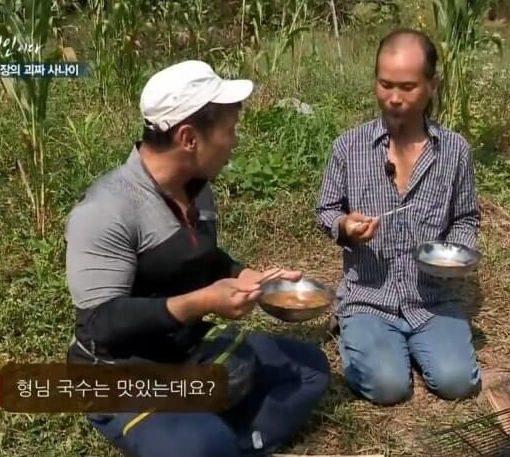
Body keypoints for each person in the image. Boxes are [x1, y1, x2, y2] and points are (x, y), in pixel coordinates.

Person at [64, 60, 331, 456]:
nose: (235, 141)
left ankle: (225, 441)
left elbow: (200, 257)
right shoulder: (106, 210)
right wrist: (202, 302)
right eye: (229, 130)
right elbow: (102, 322)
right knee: (204, 444)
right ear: (189, 138)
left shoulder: (197, 189)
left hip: (186, 353)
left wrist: (247, 275)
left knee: (310, 369)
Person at [315, 29, 481, 406]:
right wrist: (345, 226)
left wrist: (455, 255)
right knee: (389, 388)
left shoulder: (454, 151)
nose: (394, 98)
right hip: (369, 296)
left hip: (432, 299)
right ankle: (354, 329)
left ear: (432, 85)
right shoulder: (348, 147)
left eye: (407, 87)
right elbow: (326, 210)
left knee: (458, 383)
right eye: (385, 84)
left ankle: (413, 345)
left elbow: (466, 218)